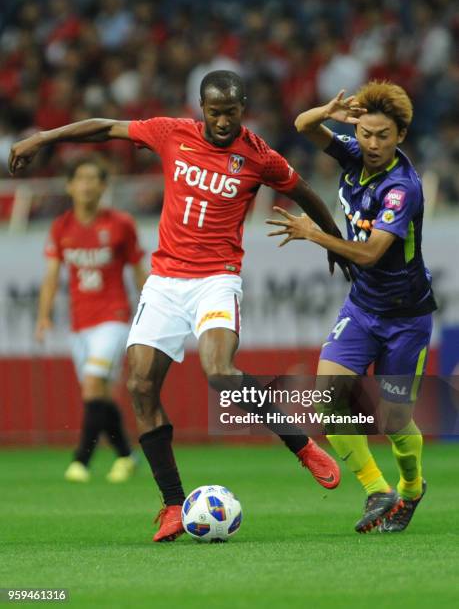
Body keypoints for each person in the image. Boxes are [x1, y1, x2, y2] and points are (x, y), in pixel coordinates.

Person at [10, 70, 346, 543]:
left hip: (216, 279)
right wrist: (43, 137)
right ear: (201, 109)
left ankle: (302, 446)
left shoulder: (258, 155)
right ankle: (172, 504)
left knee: (219, 371)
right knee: (139, 384)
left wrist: (331, 239)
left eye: (232, 112)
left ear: (243, 108)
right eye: (215, 112)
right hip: (166, 281)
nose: (224, 121)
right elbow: (107, 127)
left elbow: (304, 190)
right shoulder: (172, 133)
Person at [267, 81, 436, 533]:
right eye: (365, 133)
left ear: (401, 135)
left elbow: (369, 254)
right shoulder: (354, 153)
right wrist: (331, 110)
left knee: (395, 420)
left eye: (383, 135)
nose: (373, 144)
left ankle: (412, 488)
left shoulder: (401, 189)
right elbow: (303, 125)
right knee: (330, 397)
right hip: (363, 309)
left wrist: (313, 233)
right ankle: (378, 490)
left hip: (405, 319)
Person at [35, 156, 147, 483]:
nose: (85, 185)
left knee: (94, 385)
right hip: (79, 323)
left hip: (113, 316)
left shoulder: (120, 224)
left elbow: (139, 270)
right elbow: (52, 276)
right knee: (99, 395)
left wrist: (152, 308)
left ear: (103, 186)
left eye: (92, 179)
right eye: (79, 179)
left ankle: (80, 461)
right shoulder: (61, 228)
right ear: (69, 186)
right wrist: (43, 316)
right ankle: (127, 455)